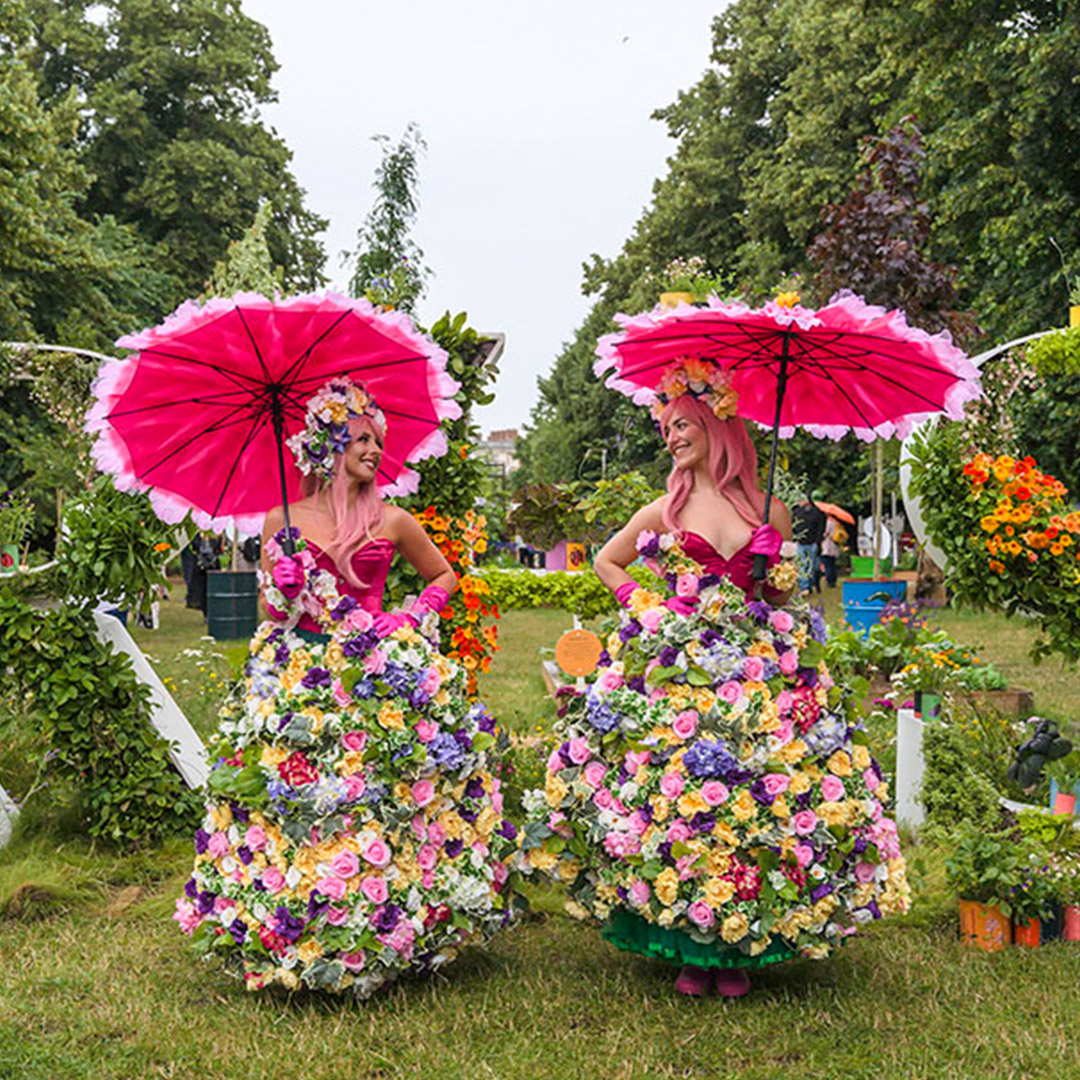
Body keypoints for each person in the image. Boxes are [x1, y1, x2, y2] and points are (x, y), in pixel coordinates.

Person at [523, 360, 910, 1000]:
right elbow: (606, 560)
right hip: (679, 668)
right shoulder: (666, 508)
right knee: (679, 800)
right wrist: (647, 606)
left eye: (682, 425)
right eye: (667, 427)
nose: (672, 436)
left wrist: (773, 570)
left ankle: (738, 943)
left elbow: (786, 600)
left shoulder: (771, 510)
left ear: (715, 424)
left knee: (750, 799)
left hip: (758, 669)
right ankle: (687, 940)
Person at [176, 378, 516, 997]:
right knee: (297, 793)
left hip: (378, 673)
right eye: (362, 438)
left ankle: (389, 931)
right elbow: (270, 610)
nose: (375, 450)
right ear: (330, 443)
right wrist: (277, 582)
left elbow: (443, 576)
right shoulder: (282, 516)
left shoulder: (392, 518)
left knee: (385, 793)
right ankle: (297, 929)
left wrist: (410, 616)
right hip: (298, 671)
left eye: (379, 440)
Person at [792, 491, 825, 595]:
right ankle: (805, 587)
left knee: (812, 567)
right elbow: (793, 525)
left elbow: (821, 528)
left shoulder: (817, 513)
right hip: (801, 543)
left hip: (812, 543)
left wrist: (818, 541)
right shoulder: (797, 512)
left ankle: (811, 584)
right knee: (802, 566)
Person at [820, 513, 845, 588]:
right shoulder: (838, 524)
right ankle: (833, 581)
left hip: (827, 547)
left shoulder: (828, 523)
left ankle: (829, 581)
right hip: (834, 546)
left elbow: (825, 533)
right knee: (832, 565)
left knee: (828, 565)